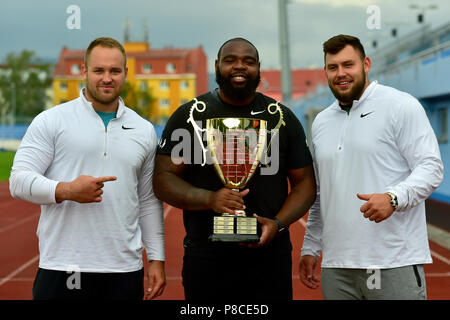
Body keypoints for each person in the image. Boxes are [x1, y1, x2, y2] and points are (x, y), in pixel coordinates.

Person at [154, 37, 316, 300]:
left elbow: (306, 184)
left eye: (248, 61)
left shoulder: (281, 118)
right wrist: (210, 199)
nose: (239, 67)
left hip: (269, 257)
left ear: (258, 68)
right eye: (230, 60)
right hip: (206, 257)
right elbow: (163, 179)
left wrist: (278, 223)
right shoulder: (191, 116)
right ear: (217, 66)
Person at [9, 37, 165, 300]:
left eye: (115, 71)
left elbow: (148, 200)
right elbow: (19, 181)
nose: (107, 78)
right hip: (62, 266)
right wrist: (66, 190)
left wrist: (157, 258)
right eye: (99, 70)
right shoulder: (51, 120)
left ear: (126, 73)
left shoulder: (144, 130)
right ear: (84, 71)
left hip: (124, 270)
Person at [299, 34, 444, 300]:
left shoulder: (400, 105)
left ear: (366, 64)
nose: (341, 73)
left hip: (393, 261)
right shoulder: (321, 122)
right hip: (337, 267)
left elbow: (431, 167)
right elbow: (321, 192)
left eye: (348, 65)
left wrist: (393, 198)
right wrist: (310, 247)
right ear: (326, 72)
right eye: (333, 67)